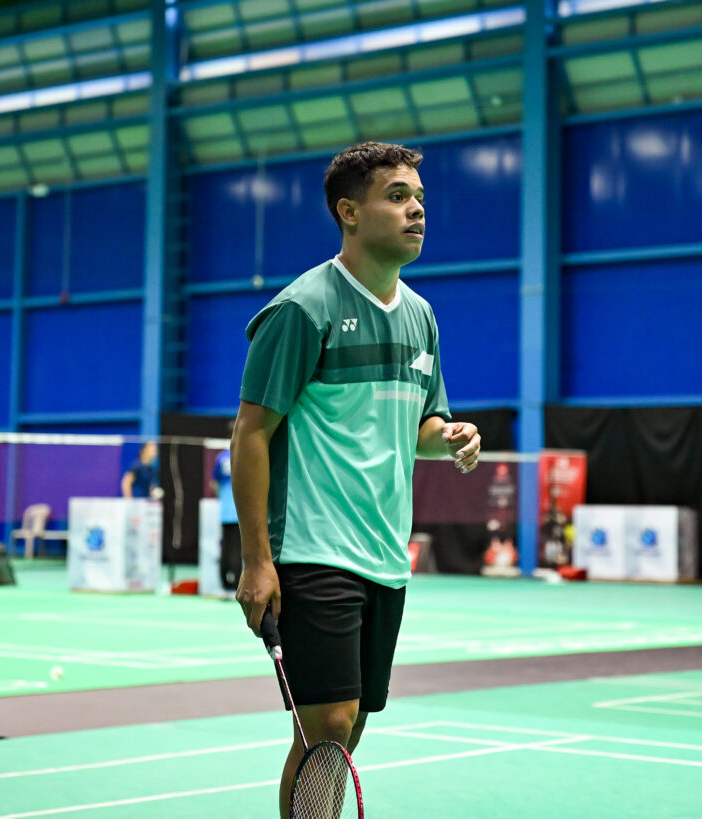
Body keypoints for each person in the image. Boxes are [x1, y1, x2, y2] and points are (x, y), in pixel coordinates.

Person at [230, 141, 481, 818]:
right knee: (329, 724)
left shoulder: (421, 316)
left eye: (419, 198)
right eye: (397, 196)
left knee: (353, 725)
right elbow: (250, 432)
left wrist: (449, 437)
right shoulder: (303, 308)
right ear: (349, 212)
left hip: (384, 553)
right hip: (313, 547)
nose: (416, 210)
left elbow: (423, 424)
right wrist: (257, 560)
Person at [209, 428, 241, 591]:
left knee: (226, 546)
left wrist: (222, 495)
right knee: (237, 547)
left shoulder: (220, 457)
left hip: (225, 510)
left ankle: (224, 581)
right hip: (239, 510)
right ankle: (236, 581)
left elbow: (214, 483)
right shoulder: (243, 454)